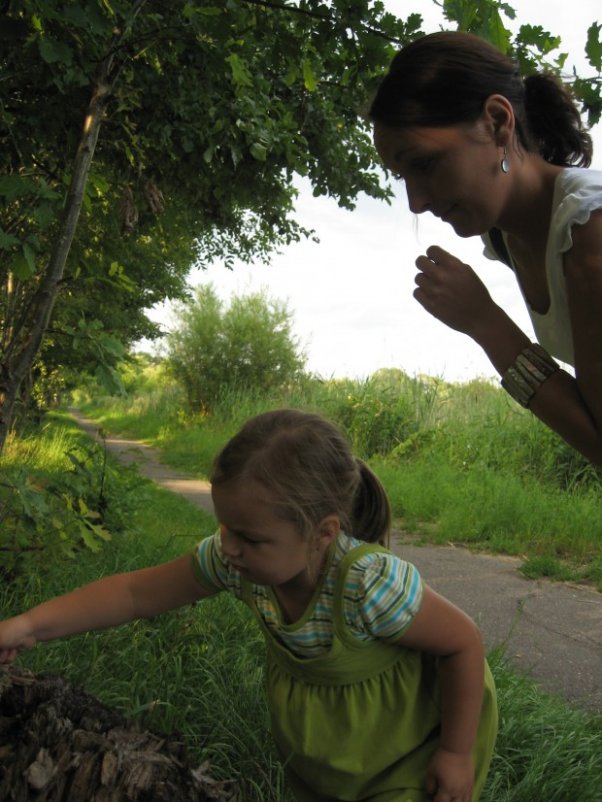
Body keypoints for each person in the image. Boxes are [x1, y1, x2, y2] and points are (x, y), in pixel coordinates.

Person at [0, 408, 497, 802]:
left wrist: (455, 753)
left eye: (250, 537)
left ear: (322, 532)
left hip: (410, 750)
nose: (229, 547)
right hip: (335, 758)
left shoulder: (369, 584)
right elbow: (135, 594)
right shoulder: (241, 563)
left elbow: (462, 644)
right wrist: (28, 626)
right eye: (224, 527)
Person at [369, 31, 602, 465]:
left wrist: (485, 322)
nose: (416, 201)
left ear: (498, 122)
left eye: (424, 164)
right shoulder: (504, 234)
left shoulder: (590, 228)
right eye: (403, 176)